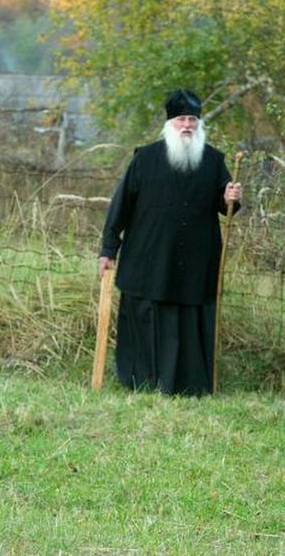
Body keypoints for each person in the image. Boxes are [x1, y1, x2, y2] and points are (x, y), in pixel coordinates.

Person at [99, 89, 242, 396]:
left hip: (195, 261)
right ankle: (142, 379)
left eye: (192, 119)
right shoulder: (145, 158)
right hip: (148, 257)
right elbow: (121, 206)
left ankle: (189, 383)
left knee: (189, 318)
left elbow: (225, 204)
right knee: (148, 312)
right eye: (181, 120)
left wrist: (230, 197)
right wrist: (108, 248)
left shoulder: (213, 160)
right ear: (170, 124)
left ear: (199, 123)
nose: (187, 125)